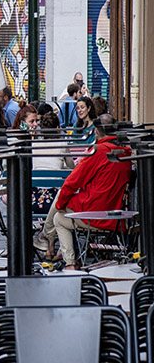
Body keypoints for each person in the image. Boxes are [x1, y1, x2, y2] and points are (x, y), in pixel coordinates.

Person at [42, 115, 131, 269]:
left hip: (94, 214)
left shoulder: (98, 151)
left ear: (96, 131)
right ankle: (48, 237)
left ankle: (67, 261)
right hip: (115, 216)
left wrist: (61, 204)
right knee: (62, 199)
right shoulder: (125, 152)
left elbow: (72, 182)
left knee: (59, 218)